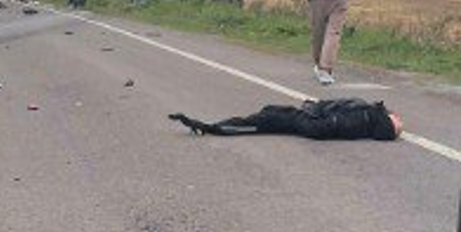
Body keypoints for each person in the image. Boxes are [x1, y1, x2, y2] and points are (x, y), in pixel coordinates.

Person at [168, 98, 402, 141]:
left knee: (268, 119)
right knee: (271, 114)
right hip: (320, 124)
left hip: (318, 125)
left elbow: (395, 127)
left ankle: (213, 128)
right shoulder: (370, 115)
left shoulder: (371, 113)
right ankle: (213, 127)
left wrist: (313, 108)